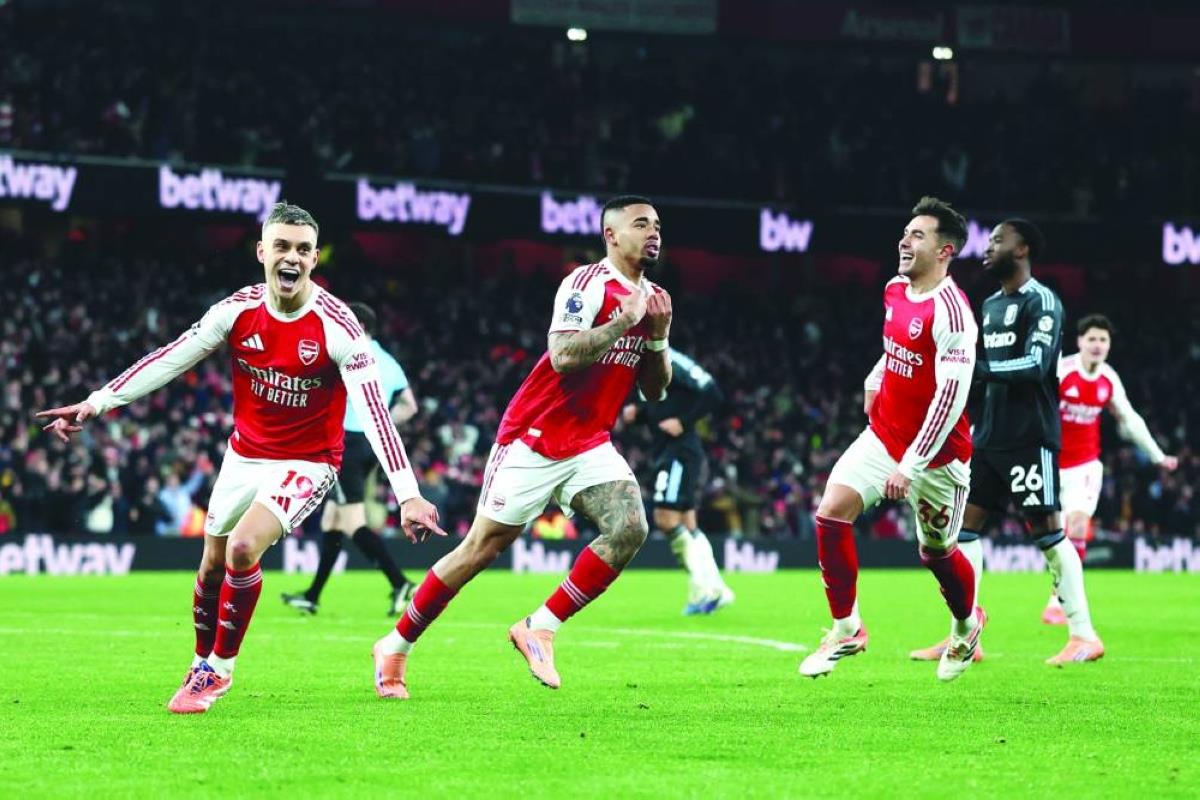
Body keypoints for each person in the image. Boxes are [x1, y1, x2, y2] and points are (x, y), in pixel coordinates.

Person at [38, 202, 443, 714]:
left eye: (302, 249)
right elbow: (171, 357)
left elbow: (376, 414)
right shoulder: (236, 311)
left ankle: (219, 670)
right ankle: (200, 660)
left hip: (309, 461)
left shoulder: (340, 327)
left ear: (314, 258)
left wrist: (408, 494)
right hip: (245, 455)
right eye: (281, 246)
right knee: (211, 566)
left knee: (243, 547)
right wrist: (96, 402)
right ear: (261, 252)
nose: (291, 257)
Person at [370, 195, 672, 699]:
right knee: (479, 550)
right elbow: (562, 355)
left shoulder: (657, 299)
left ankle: (540, 627)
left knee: (630, 527)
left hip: (589, 441)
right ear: (612, 235)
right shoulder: (585, 284)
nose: (653, 232)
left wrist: (657, 337)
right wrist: (624, 321)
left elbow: (656, 391)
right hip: (534, 435)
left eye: (657, 225)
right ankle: (395, 645)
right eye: (641, 224)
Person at [798, 196, 982, 683]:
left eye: (917, 235)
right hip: (884, 436)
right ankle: (847, 629)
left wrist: (911, 465)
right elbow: (894, 347)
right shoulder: (895, 289)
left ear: (944, 251)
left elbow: (950, 397)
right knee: (831, 513)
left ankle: (967, 627)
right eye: (905, 232)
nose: (904, 241)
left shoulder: (954, 315)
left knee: (936, 552)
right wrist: (875, 377)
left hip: (938, 457)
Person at [909, 218, 1105, 666]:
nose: (988, 246)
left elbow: (1037, 365)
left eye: (998, 240)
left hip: (1030, 436)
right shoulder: (991, 305)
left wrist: (979, 368)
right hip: (990, 436)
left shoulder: (1043, 301)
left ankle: (1083, 635)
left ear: (1022, 249)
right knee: (962, 531)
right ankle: (966, 634)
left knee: (1049, 533)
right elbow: (980, 367)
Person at [281, 301, 421, 616]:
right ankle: (313, 596)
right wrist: (380, 423)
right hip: (369, 444)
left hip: (346, 442)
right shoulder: (389, 361)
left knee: (351, 520)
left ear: (357, 326)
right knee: (332, 519)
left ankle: (400, 582)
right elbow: (410, 405)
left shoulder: (349, 354)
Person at [1041, 314, 1178, 623]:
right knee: (1053, 535)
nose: (1097, 345)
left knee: (1077, 525)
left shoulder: (1108, 379)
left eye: (1103, 340)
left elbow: (1130, 419)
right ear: (1080, 342)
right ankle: (1060, 588)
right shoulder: (1062, 371)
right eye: (1092, 338)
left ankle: (1059, 598)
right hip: (1049, 463)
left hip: (1085, 466)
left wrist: (1157, 455)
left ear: (1109, 345)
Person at [623, 348, 732, 614]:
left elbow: (713, 393)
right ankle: (717, 589)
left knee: (665, 518)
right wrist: (639, 413)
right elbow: (663, 407)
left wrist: (684, 421)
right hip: (668, 451)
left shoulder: (670, 359)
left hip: (679, 451)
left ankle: (704, 591)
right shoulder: (637, 363)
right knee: (687, 522)